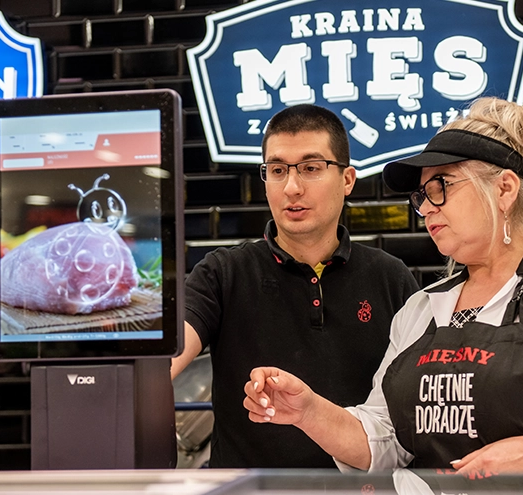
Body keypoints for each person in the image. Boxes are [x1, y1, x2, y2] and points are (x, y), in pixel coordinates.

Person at [243, 97, 523, 475]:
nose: (427, 208)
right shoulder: (420, 310)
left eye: (441, 187)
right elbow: (385, 438)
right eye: (421, 196)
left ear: (504, 189)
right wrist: (309, 412)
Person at [171, 104, 419, 468]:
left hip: (361, 487)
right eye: (277, 170)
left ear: (347, 180)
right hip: (247, 490)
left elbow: (416, 409)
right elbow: (165, 358)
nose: (291, 187)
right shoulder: (222, 273)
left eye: (311, 168)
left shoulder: (391, 278)